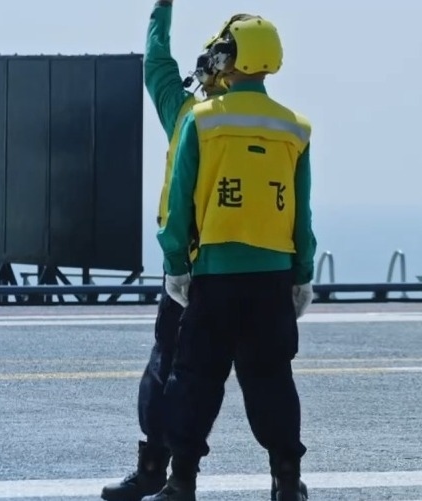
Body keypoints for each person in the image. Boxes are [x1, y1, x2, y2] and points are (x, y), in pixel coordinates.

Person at [144, 13, 315, 501]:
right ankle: (286, 481)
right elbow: (301, 210)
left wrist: (176, 263)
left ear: (227, 57)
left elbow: (181, 200)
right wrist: (302, 273)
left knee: (195, 380)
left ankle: (182, 482)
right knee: (273, 382)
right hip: (273, 279)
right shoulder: (295, 128)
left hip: (214, 277)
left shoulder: (202, 120)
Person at [101, 2, 227, 499]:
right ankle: (283, 479)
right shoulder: (268, 124)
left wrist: (162, 9)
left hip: (190, 269)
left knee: (167, 366)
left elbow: (156, 62)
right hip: (249, 271)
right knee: (260, 378)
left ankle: (158, 470)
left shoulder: (186, 114)